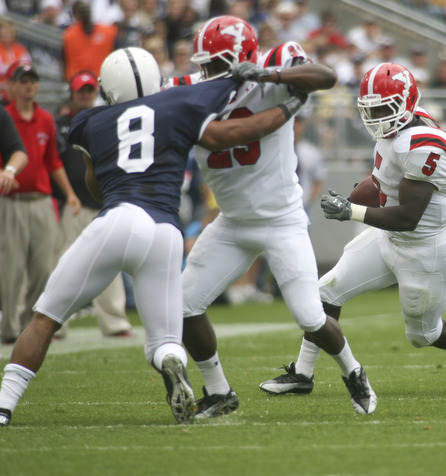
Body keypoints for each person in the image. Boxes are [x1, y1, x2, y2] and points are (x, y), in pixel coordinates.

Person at [0, 46, 309, 427]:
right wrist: (285, 106)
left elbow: (95, 186)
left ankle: (4, 404)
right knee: (164, 339)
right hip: (165, 231)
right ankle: (170, 360)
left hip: (119, 219)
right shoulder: (178, 103)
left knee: (46, 317)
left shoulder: (89, 121)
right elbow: (232, 107)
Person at [259, 63, 446, 397]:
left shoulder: (421, 143)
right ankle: (303, 374)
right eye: (372, 109)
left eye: (383, 108)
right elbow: (382, 180)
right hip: (389, 240)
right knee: (324, 293)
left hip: (425, 247)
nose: (377, 116)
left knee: (424, 335)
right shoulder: (396, 130)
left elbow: (407, 216)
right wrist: (358, 192)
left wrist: (351, 209)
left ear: (405, 103)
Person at [177, 16, 377, 417]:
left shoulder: (274, 72)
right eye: (205, 65)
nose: (208, 74)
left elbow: (326, 76)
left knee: (310, 316)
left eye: (217, 65)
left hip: (281, 222)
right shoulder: (188, 91)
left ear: (244, 58)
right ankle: (218, 392)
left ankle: (354, 372)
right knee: (183, 306)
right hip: (232, 223)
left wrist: (269, 73)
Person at [0, 62, 81, 345]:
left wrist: (69, 193)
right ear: (9, 86)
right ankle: (9, 328)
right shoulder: (4, 117)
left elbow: (53, 162)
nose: (29, 86)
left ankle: (29, 327)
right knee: (10, 268)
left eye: (32, 81)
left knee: (43, 267)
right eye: (22, 81)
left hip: (42, 200)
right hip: (11, 201)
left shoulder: (46, 119)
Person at [53, 70, 133, 338]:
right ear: (73, 94)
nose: (86, 95)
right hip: (73, 204)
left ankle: (115, 322)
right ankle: (55, 323)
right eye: (81, 91)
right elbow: (54, 163)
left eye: (89, 91)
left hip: (102, 203)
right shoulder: (61, 124)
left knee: (109, 263)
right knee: (63, 263)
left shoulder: (105, 122)